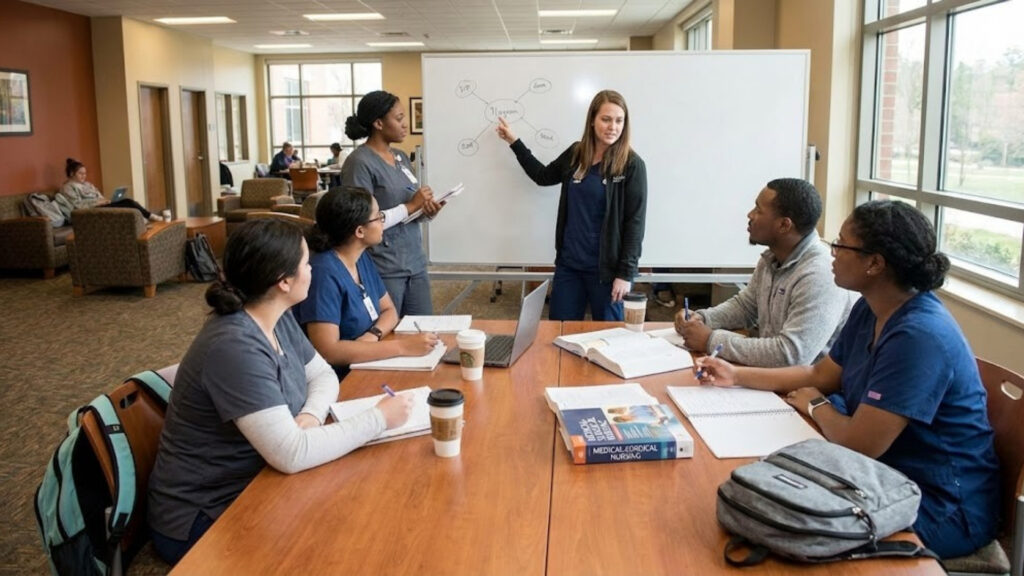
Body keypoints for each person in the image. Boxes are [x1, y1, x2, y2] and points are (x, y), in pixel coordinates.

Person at [696, 200, 999, 559]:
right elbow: (817, 374)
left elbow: (859, 443)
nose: (832, 254)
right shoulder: (869, 308)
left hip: (939, 504)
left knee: (788, 534)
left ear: (875, 263)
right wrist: (736, 375)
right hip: (878, 475)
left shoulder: (919, 336)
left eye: (840, 244)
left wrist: (816, 404)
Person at [147, 219, 414, 565]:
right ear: (283, 281)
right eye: (306, 264)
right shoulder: (235, 344)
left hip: (261, 479)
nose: (312, 269)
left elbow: (323, 376)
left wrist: (309, 416)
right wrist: (379, 419)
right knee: (348, 542)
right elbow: (291, 454)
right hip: (205, 515)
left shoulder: (274, 313)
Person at [496, 89, 647, 321]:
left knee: (609, 339)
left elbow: (634, 224)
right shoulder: (576, 154)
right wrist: (514, 142)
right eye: (606, 119)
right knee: (560, 333)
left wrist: (625, 274)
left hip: (607, 273)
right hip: (570, 266)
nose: (612, 127)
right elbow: (543, 176)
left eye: (619, 121)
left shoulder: (631, 165)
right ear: (593, 120)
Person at [674, 178, 852, 367]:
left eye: (759, 210)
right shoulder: (772, 257)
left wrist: (711, 340)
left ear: (784, 225)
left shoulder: (820, 274)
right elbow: (746, 307)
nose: (750, 215)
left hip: (807, 390)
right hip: (771, 377)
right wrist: (702, 318)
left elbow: (791, 355)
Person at [293, 186, 438, 378]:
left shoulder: (360, 257)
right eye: (378, 217)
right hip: (339, 378)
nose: (383, 222)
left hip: (368, 361)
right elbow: (329, 351)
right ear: (360, 231)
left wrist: (373, 335)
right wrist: (403, 346)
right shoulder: (323, 273)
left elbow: (389, 311)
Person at [341, 90, 441, 316]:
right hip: (384, 265)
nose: (405, 124)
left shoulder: (401, 157)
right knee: (390, 333)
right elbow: (360, 223)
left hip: (414, 260)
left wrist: (427, 210)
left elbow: (410, 205)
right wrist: (412, 206)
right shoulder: (359, 163)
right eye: (398, 119)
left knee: (423, 330)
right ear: (378, 123)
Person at [57, 158, 162, 223]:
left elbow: (99, 196)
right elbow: (77, 206)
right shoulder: (68, 187)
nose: (84, 176)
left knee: (127, 202)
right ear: (71, 173)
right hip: (91, 212)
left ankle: (145, 220)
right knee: (129, 203)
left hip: (101, 206)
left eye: (85, 173)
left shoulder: (88, 185)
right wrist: (97, 202)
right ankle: (149, 216)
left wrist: (105, 200)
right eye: (80, 173)